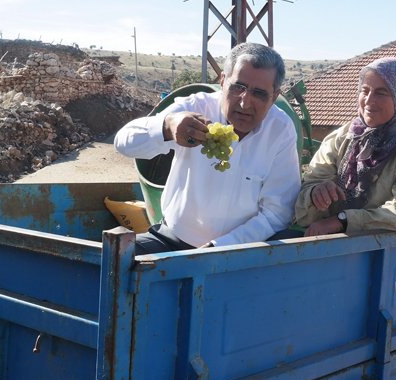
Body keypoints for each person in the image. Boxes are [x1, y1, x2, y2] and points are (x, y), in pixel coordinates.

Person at [115, 42, 301, 254]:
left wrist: (220, 247)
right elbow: (123, 142)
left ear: (274, 97)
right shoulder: (195, 107)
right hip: (172, 241)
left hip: (239, 252)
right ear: (222, 81)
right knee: (115, 261)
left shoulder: (281, 130)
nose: (245, 103)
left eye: (259, 94)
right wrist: (167, 127)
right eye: (238, 87)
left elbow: (278, 212)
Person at [295, 57, 396, 236]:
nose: (369, 100)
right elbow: (305, 191)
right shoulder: (346, 136)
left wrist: (343, 220)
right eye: (365, 90)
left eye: (381, 93)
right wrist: (315, 194)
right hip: (340, 250)